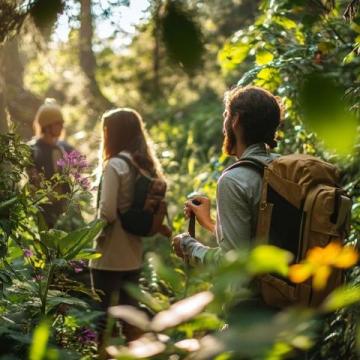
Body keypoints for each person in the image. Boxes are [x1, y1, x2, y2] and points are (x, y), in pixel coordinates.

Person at [172, 85, 281, 265]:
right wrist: (208, 223)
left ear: (235, 120)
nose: (224, 126)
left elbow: (232, 264)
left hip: (253, 293)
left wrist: (189, 247)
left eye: (226, 115)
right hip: (293, 288)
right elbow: (259, 239)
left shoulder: (234, 180)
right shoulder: (283, 168)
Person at [89, 108, 165, 343]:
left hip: (108, 254)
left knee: (103, 320)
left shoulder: (114, 165)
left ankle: (105, 355)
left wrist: (87, 239)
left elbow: (107, 213)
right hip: (133, 254)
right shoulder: (143, 164)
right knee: (130, 319)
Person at [27, 98, 75, 228]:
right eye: (58, 123)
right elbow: (33, 183)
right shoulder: (32, 150)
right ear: (47, 126)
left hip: (63, 209)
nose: (62, 126)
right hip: (43, 211)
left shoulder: (63, 148)